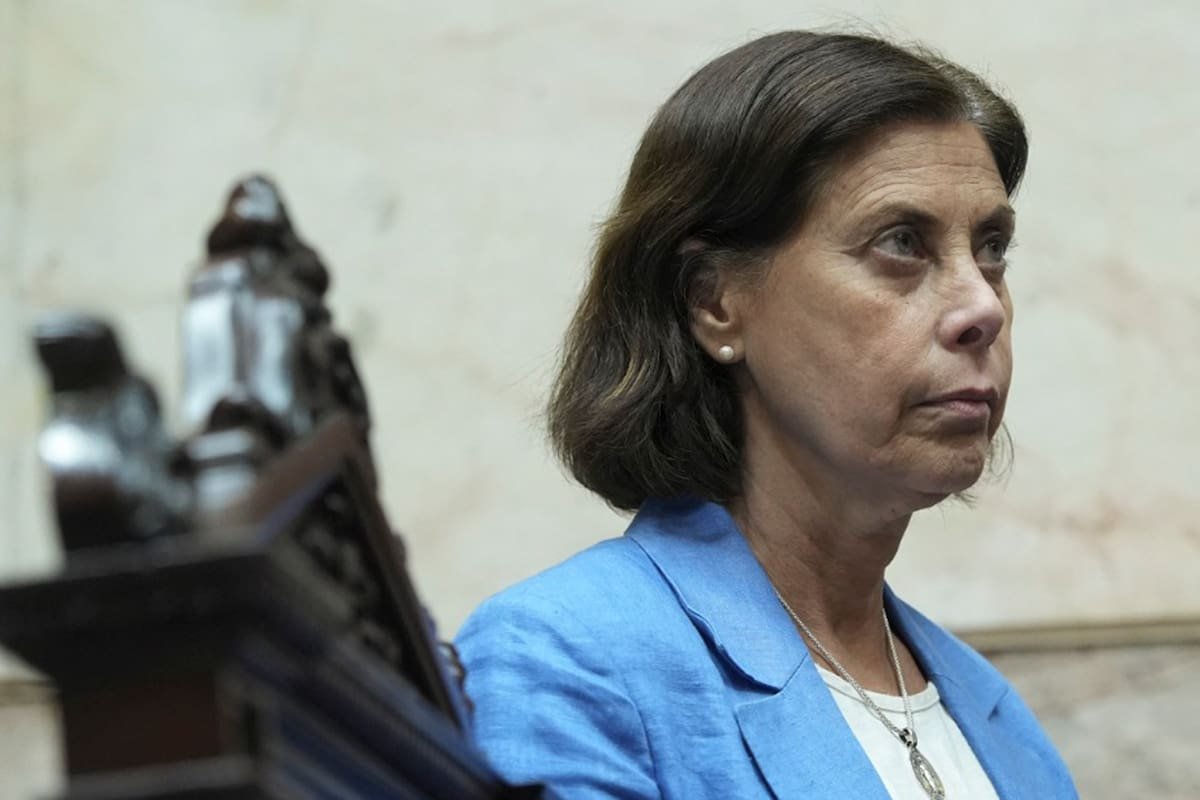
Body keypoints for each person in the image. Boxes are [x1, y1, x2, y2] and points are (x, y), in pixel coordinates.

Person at [455, 30, 1078, 799]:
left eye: (991, 249)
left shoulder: (995, 715)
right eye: (901, 243)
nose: (983, 306)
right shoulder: (565, 661)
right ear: (714, 301)